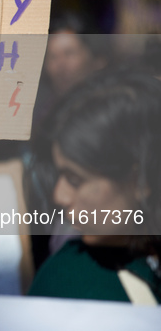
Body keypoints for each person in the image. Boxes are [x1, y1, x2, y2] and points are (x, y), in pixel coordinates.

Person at [27, 71, 161, 303]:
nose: (60, 196)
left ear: (141, 181)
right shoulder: (68, 278)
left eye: (75, 179)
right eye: (60, 175)